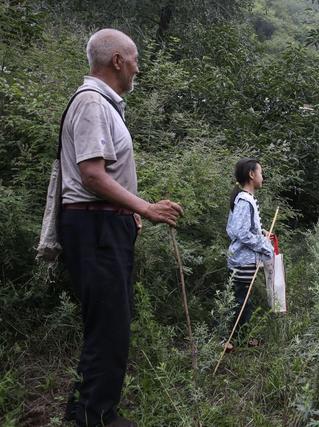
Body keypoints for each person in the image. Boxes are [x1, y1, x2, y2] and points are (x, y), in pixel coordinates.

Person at [60, 29, 183, 427]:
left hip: (101, 224)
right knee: (109, 326)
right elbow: (92, 175)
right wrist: (144, 207)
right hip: (94, 227)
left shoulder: (102, 104)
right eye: (134, 59)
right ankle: (95, 418)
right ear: (117, 61)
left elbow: (100, 177)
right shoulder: (94, 103)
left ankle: (84, 412)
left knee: (108, 322)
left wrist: (126, 212)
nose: (137, 67)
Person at [226, 158, 274, 347]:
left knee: (242, 300)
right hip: (243, 261)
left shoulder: (244, 199)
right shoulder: (245, 200)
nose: (263, 177)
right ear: (252, 175)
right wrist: (264, 244)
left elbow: (236, 228)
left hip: (242, 260)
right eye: (260, 172)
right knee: (241, 301)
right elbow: (239, 232)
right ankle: (232, 339)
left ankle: (240, 338)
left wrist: (260, 233)